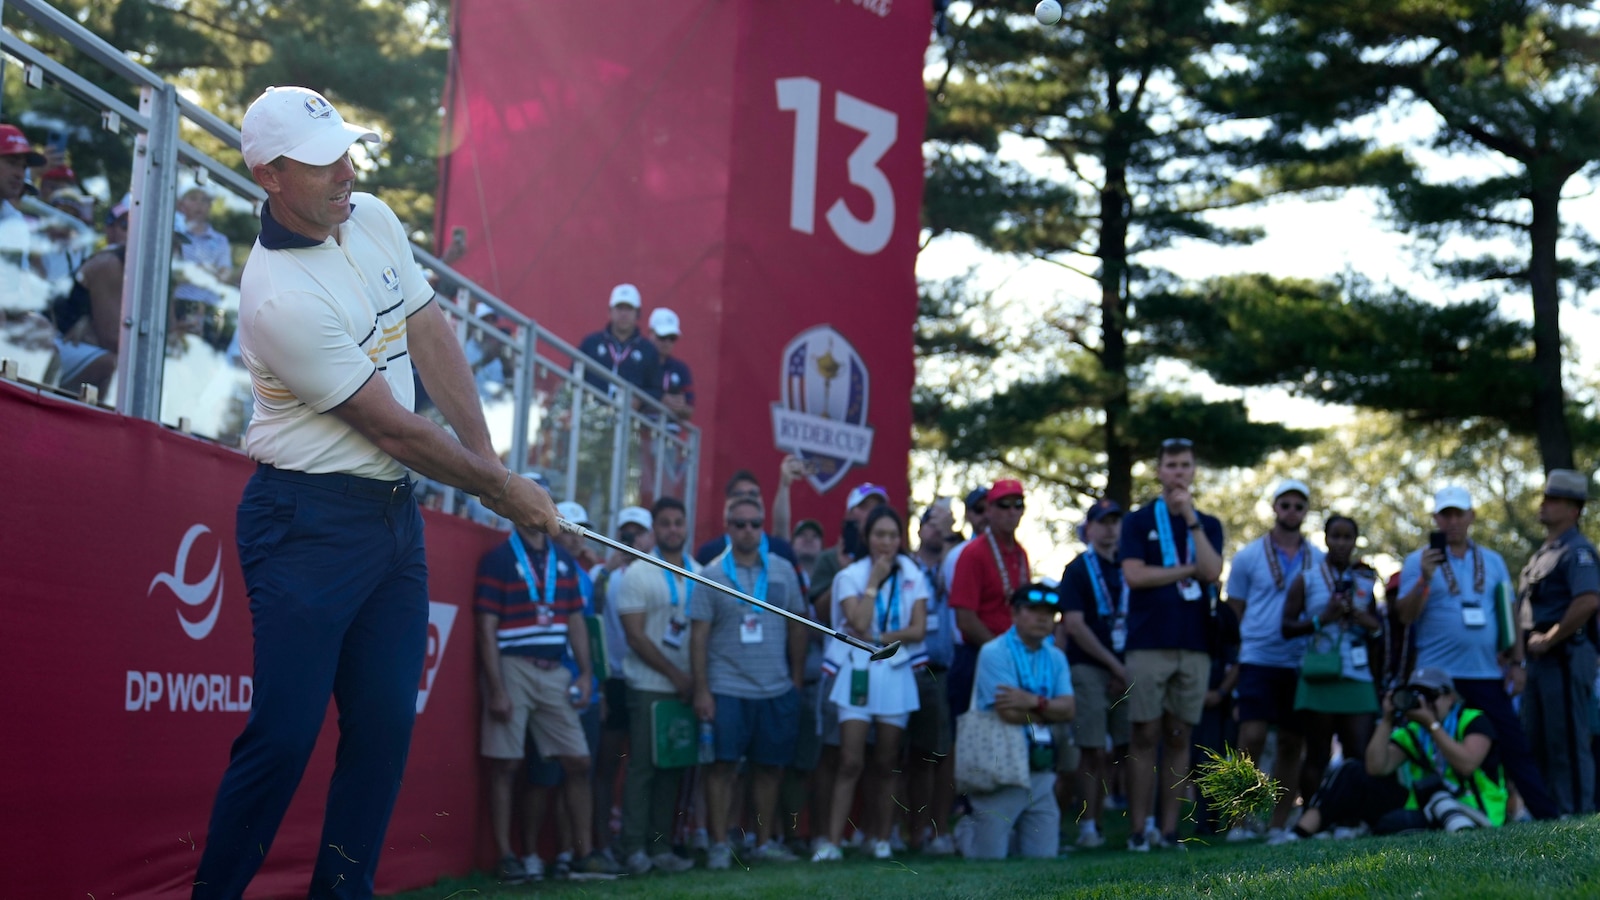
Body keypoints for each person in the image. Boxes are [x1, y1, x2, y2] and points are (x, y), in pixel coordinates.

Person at [191, 86, 559, 900]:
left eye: (348, 155)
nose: (345, 175)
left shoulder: (376, 219)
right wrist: (501, 490)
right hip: (304, 522)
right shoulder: (278, 297)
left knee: (387, 726)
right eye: (324, 166)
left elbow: (428, 333)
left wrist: (490, 461)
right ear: (271, 175)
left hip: (391, 521)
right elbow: (392, 428)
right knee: (285, 737)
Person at [475, 478, 614, 882]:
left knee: (578, 760)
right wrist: (497, 687)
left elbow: (576, 623)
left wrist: (587, 673)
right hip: (513, 667)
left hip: (555, 671)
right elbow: (486, 628)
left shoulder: (564, 562)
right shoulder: (498, 559)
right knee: (505, 764)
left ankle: (584, 854)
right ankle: (507, 857)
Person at [1396, 486, 1557, 820]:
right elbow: (1405, 616)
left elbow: (1509, 612)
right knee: (1426, 744)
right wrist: (1424, 578)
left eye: (1459, 514)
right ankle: (1422, 815)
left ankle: (1544, 814)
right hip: (1436, 677)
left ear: (1471, 516)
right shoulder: (1418, 561)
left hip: (1485, 672)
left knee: (1513, 744)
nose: (1452, 521)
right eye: (1446, 514)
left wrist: (1516, 662)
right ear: (1436, 518)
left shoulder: (1493, 561)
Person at [691, 495, 808, 869]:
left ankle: (762, 842)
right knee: (722, 768)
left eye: (755, 524)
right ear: (728, 528)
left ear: (763, 528)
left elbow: (798, 626)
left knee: (770, 768)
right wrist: (702, 690)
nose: (748, 530)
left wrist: (796, 679)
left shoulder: (782, 571)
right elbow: (698, 637)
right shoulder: (710, 574)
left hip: (775, 687)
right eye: (740, 524)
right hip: (727, 687)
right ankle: (720, 845)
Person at [1119, 438, 1224, 852]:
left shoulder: (1208, 523)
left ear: (1193, 471)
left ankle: (1168, 831)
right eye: (1171, 465)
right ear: (1159, 471)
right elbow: (1134, 576)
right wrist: (1184, 569)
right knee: (1144, 733)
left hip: (1194, 643)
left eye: (1185, 465)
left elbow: (1212, 571)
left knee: (1180, 735)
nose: (1178, 472)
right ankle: (1138, 830)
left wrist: (1191, 519)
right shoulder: (1137, 520)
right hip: (1147, 642)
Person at [813, 506, 929, 862]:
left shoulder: (913, 573)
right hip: (857, 670)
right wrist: (875, 580)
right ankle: (832, 842)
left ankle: (879, 839)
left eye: (893, 536)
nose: (887, 542)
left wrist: (881, 635)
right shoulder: (849, 575)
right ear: (866, 538)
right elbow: (858, 624)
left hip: (895, 671)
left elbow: (918, 629)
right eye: (879, 535)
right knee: (849, 760)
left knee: (887, 761)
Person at [1288, 667, 1509, 840]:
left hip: (1475, 810)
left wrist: (1432, 725)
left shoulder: (1473, 720)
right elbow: (1375, 768)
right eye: (1416, 695)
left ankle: (1456, 825)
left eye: (1430, 695)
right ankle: (1301, 832)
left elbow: (1467, 764)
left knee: (1396, 822)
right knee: (1351, 770)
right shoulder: (1413, 731)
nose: (1423, 703)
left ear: (1450, 697)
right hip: (1427, 806)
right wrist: (1387, 720)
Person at [1225, 478, 1319, 842]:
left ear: (1305, 511)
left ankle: (1279, 825)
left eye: (1299, 505)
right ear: (1275, 508)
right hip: (1258, 656)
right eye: (1286, 504)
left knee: (1292, 742)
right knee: (1251, 736)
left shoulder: (1318, 558)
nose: (1292, 511)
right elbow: (1235, 610)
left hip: (1299, 659)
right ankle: (1239, 820)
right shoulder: (1248, 555)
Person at [957, 582, 1075, 860]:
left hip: (1040, 768)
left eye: (1050, 612)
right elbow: (1007, 711)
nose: (1043, 618)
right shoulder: (994, 651)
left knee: (1044, 857)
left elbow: (1070, 709)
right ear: (1014, 613)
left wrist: (1033, 701)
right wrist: (1049, 709)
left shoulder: (1056, 657)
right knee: (988, 857)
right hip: (1000, 767)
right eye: (1033, 610)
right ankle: (965, 832)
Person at [613, 497, 699, 874]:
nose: (672, 530)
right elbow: (635, 637)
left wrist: (692, 679)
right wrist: (675, 675)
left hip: (686, 687)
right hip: (649, 685)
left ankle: (660, 847)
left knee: (672, 768)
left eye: (678, 522)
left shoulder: (700, 572)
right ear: (654, 530)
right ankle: (633, 848)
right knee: (644, 768)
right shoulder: (638, 572)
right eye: (664, 523)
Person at [1280, 515, 1382, 822]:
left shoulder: (1365, 582)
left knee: (1359, 753)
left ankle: (1352, 820)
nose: (1341, 543)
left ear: (1355, 541)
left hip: (1357, 675)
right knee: (1317, 753)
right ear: (1325, 539)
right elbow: (1286, 627)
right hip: (1319, 674)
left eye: (1347, 537)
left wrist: (1366, 622)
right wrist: (1321, 619)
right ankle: (1314, 819)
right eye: (1335, 536)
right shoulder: (1307, 578)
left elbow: (1378, 631)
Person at [1517, 469, 1598, 815]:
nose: (1544, 504)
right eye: (1545, 497)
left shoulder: (1578, 550)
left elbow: (1589, 600)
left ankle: (1578, 816)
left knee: (1566, 738)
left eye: (1554, 499)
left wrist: (1550, 638)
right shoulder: (1543, 553)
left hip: (1564, 654)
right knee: (1539, 738)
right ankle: (1551, 814)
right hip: (1539, 661)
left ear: (1574, 509)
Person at [1058, 498, 1130, 849]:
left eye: (1115, 521)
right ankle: (1088, 825)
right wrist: (1116, 666)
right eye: (1103, 522)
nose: (1110, 528)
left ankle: (1125, 823)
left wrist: (1125, 667)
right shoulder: (1077, 569)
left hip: (1127, 667)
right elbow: (1074, 625)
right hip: (1088, 666)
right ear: (1089, 528)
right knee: (1091, 750)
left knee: (1126, 748)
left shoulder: (1130, 566)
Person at [587, 505, 652, 865]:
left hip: (647, 680)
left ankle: (638, 842)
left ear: (649, 537)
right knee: (607, 767)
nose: (631, 541)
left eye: (637, 534)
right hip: (612, 680)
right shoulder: (602, 573)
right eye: (625, 533)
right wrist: (610, 566)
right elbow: (589, 610)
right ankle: (602, 842)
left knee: (643, 765)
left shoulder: (659, 572)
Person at [950, 479, 1030, 718]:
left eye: (1018, 504)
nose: (1012, 511)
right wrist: (1001, 654)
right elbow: (965, 619)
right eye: (1004, 505)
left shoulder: (1020, 553)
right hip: (977, 656)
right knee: (967, 740)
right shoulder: (973, 553)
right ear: (990, 511)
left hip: (1013, 656)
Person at [906, 500, 958, 855]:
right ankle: (911, 831)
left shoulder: (956, 565)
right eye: (932, 523)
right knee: (912, 756)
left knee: (944, 755)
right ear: (920, 528)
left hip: (947, 668)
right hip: (909, 668)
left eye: (945, 524)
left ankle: (938, 831)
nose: (938, 530)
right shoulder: (905, 566)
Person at [693, 467, 802, 569]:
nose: (747, 497)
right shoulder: (709, 553)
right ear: (727, 502)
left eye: (753, 493)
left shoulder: (781, 550)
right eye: (739, 493)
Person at [805, 481, 891, 608]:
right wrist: (845, 574)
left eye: (878, 508)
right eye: (864, 507)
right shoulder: (828, 559)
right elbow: (820, 612)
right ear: (849, 514)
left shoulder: (893, 558)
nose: (872, 513)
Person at [577, 283, 660, 399]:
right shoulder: (591, 342)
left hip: (629, 415)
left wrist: (639, 401)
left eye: (629, 309)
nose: (624, 314)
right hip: (590, 412)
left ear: (638, 313)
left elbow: (656, 390)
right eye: (619, 308)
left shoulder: (648, 350)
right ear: (609, 311)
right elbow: (574, 375)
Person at [649, 307, 693, 423]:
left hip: (669, 434)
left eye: (672, 338)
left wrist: (680, 407)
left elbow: (689, 409)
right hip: (638, 430)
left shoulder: (681, 369)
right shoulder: (640, 362)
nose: (667, 343)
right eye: (662, 337)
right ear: (651, 333)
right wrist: (659, 400)